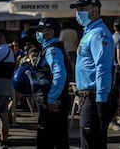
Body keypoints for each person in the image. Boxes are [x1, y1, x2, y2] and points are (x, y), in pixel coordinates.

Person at [69, 0, 115, 149]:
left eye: (82, 8)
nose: (78, 12)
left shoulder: (98, 34)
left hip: (94, 97)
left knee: (91, 143)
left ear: (95, 10)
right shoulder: (89, 32)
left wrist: (101, 101)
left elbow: (103, 67)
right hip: (87, 97)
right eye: (77, 9)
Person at [31, 18, 70, 149]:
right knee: (58, 139)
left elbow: (60, 74)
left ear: (51, 32)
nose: (38, 33)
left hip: (53, 102)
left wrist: (52, 98)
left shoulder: (52, 50)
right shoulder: (50, 48)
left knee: (46, 141)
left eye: (41, 30)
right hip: (54, 100)